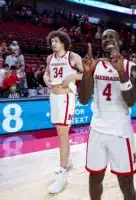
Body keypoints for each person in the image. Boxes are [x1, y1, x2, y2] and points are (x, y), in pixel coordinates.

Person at [79, 29, 136, 200]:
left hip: (120, 132)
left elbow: (131, 101)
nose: (107, 39)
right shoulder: (95, 65)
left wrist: (121, 72)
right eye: (104, 37)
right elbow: (84, 100)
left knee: (126, 184)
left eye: (111, 37)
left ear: (119, 41)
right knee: (95, 178)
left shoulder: (132, 67)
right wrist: (86, 73)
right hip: (97, 129)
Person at [43, 29, 83, 194]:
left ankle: (63, 173)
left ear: (64, 42)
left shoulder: (73, 57)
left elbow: (85, 73)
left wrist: (71, 77)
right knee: (60, 133)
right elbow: (46, 73)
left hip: (67, 97)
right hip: (54, 97)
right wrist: (46, 80)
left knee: (63, 133)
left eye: (56, 41)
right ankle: (68, 160)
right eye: (52, 41)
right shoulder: (49, 58)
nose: (53, 43)